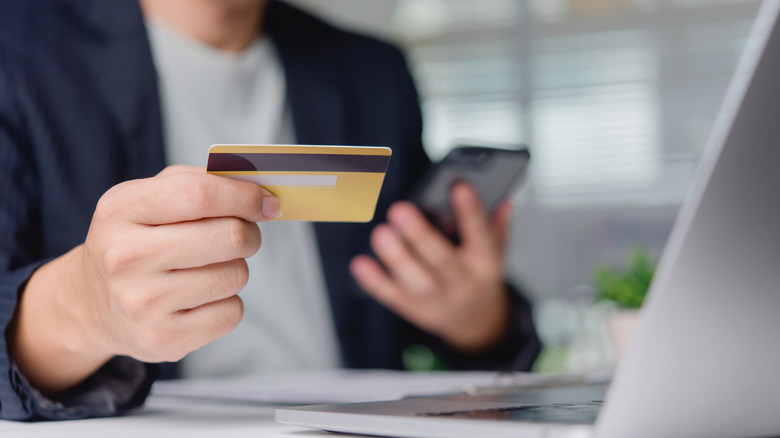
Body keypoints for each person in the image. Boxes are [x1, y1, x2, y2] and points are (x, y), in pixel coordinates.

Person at [0, 0, 540, 420]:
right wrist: (84, 309)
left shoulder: (373, 74)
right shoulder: (17, 51)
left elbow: (449, 328)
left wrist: (477, 318)